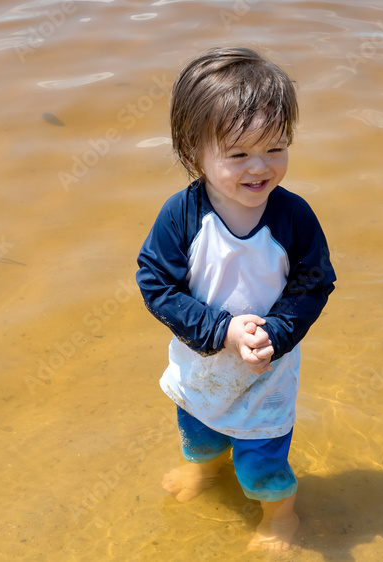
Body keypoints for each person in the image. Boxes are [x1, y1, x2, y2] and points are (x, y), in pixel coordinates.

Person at [136, 46, 335, 551]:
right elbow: (155, 283)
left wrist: (277, 333)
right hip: (200, 366)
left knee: (261, 462)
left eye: (276, 148)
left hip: (264, 374)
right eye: (239, 154)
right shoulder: (181, 216)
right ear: (193, 153)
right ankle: (201, 471)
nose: (260, 167)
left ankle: (280, 517)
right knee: (198, 435)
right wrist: (219, 331)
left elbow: (313, 285)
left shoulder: (294, 219)